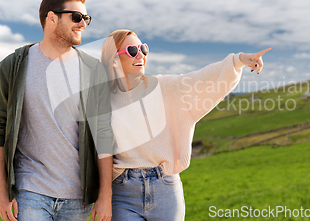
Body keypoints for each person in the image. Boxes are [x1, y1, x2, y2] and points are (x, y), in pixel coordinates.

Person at [100, 29, 270, 220]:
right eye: (132, 50)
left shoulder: (164, 87)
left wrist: (238, 60)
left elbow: (202, 79)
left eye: (144, 49)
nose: (141, 55)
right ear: (114, 60)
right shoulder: (103, 101)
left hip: (165, 190)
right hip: (123, 194)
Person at [0, 0, 113, 221]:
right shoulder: (11, 67)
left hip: (77, 196)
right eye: (76, 17)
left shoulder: (93, 70)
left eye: (86, 18)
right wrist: (2, 193)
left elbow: (103, 133)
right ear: (51, 17)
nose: (83, 23)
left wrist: (105, 194)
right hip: (30, 190)